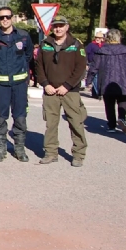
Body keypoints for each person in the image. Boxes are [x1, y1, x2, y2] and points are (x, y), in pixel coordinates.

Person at [35, 16, 88, 166]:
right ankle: (51, 153)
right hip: (50, 90)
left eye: (61, 26)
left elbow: (80, 68)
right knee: (51, 124)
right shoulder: (45, 44)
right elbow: (38, 66)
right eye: (55, 26)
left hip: (70, 91)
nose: (58, 29)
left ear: (67, 27)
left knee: (76, 123)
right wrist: (45, 84)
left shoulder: (76, 44)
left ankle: (78, 154)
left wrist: (67, 85)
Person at [0, 7, 34, 162]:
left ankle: (20, 149)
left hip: (19, 84)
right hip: (1, 85)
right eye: (1, 17)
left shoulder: (24, 36)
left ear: (12, 18)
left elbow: (28, 55)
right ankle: (1, 149)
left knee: (20, 117)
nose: (4, 19)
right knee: (0, 117)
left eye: (7, 17)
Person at [87, 29, 126, 134]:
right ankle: (122, 118)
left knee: (109, 103)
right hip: (123, 80)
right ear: (119, 37)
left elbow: (94, 67)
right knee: (123, 99)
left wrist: (89, 80)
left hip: (106, 80)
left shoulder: (102, 51)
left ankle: (111, 125)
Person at [86, 30, 104, 98]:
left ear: (102, 39)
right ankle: (98, 93)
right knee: (95, 78)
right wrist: (86, 64)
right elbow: (86, 54)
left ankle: (95, 93)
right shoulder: (91, 45)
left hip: (102, 64)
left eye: (99, 38)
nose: (97, 39)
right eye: (96, 37)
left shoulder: (104, 45)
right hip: (92, 63)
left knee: (99, 79)